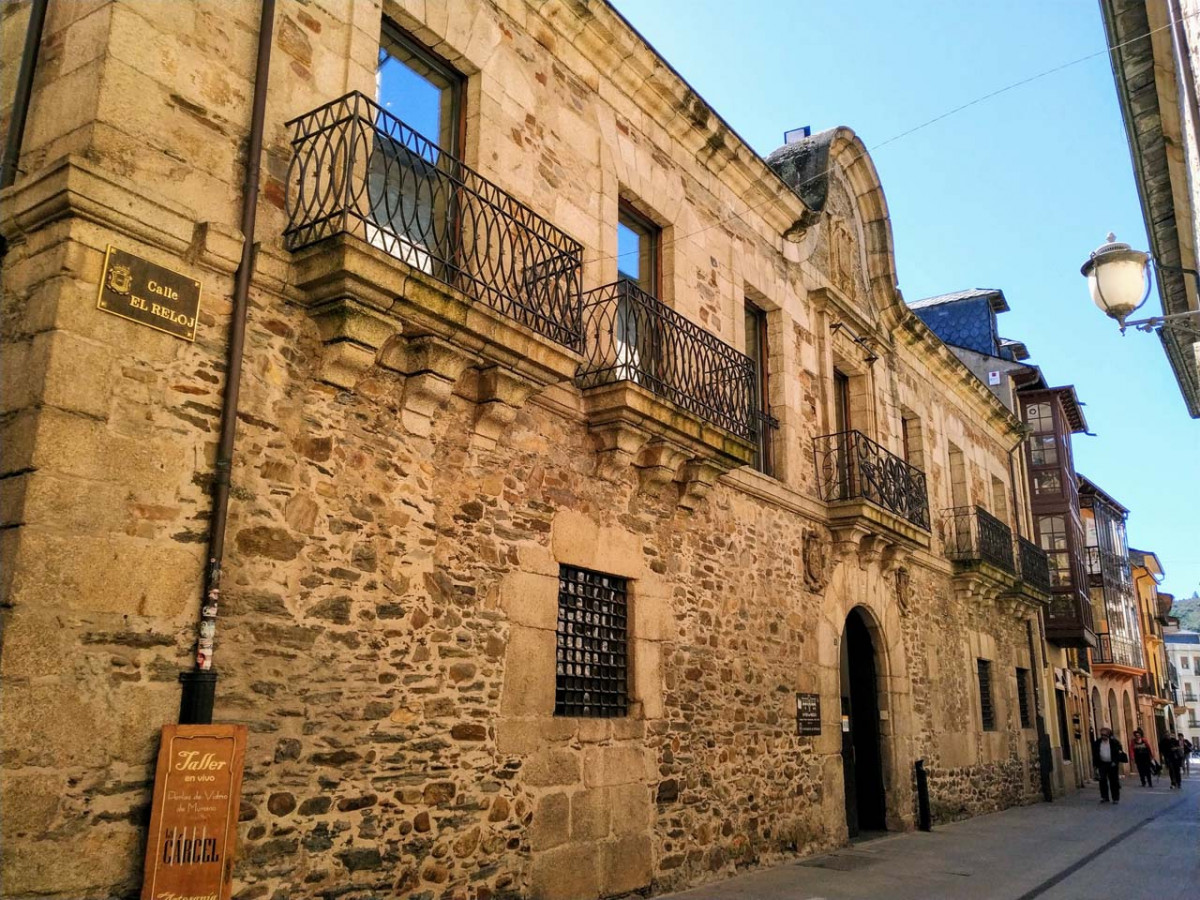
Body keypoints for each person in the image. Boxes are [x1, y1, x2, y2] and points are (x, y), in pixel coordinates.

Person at [1091, 726, 1126, 803]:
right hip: (1102, 764)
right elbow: (1095, 754)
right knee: (1102, 780)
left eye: (1105, 735)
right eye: (1102, 735)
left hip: (1112, 764)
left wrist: (1115, 762)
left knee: (1114, 781)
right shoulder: (1097, 743)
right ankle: (1104, 797)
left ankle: (1115, 798)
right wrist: (1095, 765)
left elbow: (1119, 753)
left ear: (1109, 735)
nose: (1103, 736)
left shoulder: (1114, 743)